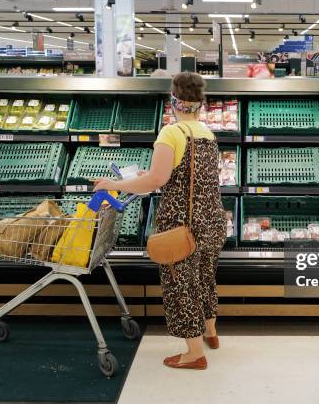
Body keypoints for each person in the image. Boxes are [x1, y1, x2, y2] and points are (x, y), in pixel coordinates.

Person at [94, 72, 226, 370]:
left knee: (181, 284)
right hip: (213, 220)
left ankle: (194, 353)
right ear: (199, 104)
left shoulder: (172, 133)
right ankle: (211, 333)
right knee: (205, 278)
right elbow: (182, 176)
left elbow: (156, 180)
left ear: (174, 101)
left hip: (183, 225)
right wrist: (149, 177)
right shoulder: (207, 132)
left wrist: (112, 185)